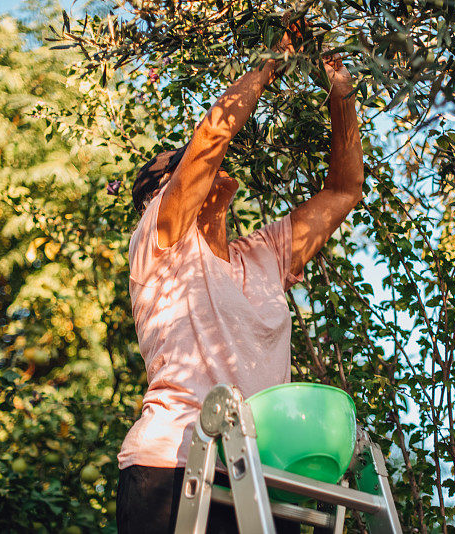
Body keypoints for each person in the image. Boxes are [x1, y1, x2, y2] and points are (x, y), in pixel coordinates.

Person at [115, 16, 364, 534]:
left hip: (261, 479)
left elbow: (344, 191)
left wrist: (341, 89)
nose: (190, 163)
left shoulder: (264, 255)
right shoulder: (159, 238)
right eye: (176, 165)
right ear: (159, 191)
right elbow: (210, 140)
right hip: (175, 469)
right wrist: (273, 60)